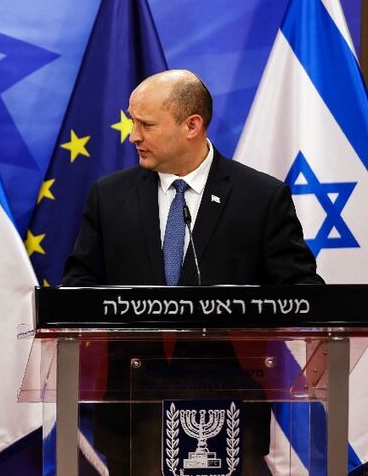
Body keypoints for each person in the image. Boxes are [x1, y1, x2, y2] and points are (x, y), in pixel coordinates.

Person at [62, 70, 323, 475]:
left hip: (229, 411)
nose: (133, 135)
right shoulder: (109, 196)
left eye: (145, 124)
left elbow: (304, 292)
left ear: (192, 125)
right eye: (133, 122)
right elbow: (78, 288)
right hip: (133, 414)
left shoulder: (261, 198)